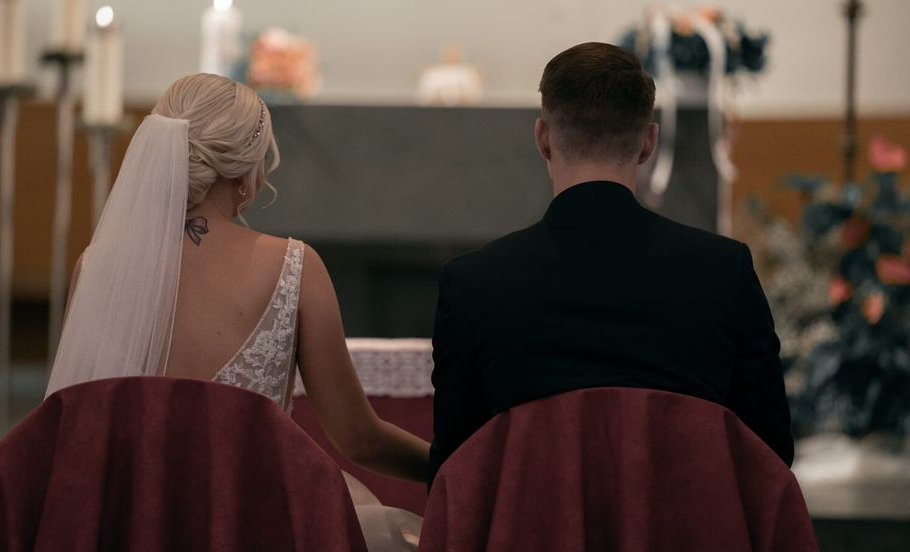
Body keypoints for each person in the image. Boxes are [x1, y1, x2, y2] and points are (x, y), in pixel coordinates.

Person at [46, 74, 426, 551]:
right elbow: (359, 438)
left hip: (128, 523)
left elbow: (74, 425)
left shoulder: (96, 266)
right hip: (251, 525)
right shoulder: (295, 266)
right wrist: (449, 464)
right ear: (246, 172)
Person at [429, 42, 793, 484]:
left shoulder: (473, 283)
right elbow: (770, 454)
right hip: (685, 521)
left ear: (542, 138)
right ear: (648, 142)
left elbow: (455, 474)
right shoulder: (724, 271)